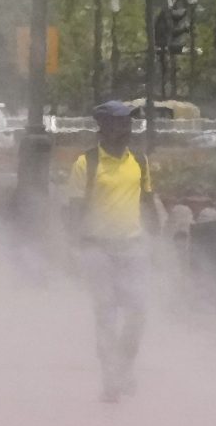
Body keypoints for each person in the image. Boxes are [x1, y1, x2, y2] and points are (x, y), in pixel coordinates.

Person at [66, 101, 158, 401]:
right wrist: (73, 250)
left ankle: (124, 365)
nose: (127, 128)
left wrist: (156, 242)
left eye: (129, 122)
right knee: (106, 313)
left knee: (137, 314)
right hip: (97, 250)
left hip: (133, 247)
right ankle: (110, 379)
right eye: (120, 122)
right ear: (103, 126)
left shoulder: (139, 161)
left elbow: (147, 202)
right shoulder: (86, 163)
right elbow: (74, 210)